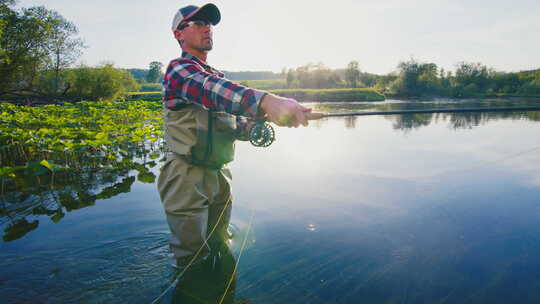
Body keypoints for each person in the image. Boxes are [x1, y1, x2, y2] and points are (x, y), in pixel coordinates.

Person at [157, 3, 311, 269]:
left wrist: (255, 125)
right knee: (191, 261)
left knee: (219, 243)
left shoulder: (217, 76)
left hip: (220, 175)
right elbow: (210, 89)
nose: (208, 28)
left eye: (210, 24)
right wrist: (267, 101)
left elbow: (234, 123)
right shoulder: (178, 70)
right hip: (186, 176)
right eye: (199, 23)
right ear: (178, 34)